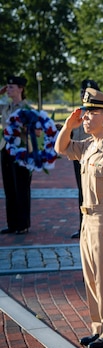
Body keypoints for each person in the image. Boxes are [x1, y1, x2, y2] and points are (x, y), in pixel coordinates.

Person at [54, 88, 103, 348]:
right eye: (84, 113)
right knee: (92, 277)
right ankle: (100, 327)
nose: (85, 118)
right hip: (87, 219)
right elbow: (60, 147)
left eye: (91, 113)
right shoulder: (89, 145)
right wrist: (68, 125)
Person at [0, 76, 32, 235]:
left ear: (21, 89)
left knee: (21, 186)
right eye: (7, 87)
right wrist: (1, 92)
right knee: (9, 187)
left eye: (12, 87)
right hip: (5, 148)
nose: (9, 89)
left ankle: (23, 224)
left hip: (21, 149)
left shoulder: (26, 108)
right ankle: (12, 223)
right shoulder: (5, 106)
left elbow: (34, 130)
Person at [70, 79, 101, 239]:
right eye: (82, 91)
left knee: (94, 192)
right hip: (80, 156)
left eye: (87, 91)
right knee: (81, 192)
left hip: (97, 155)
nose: (83, 94)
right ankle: (82, 226)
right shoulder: (79, 112)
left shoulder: (101, 112)